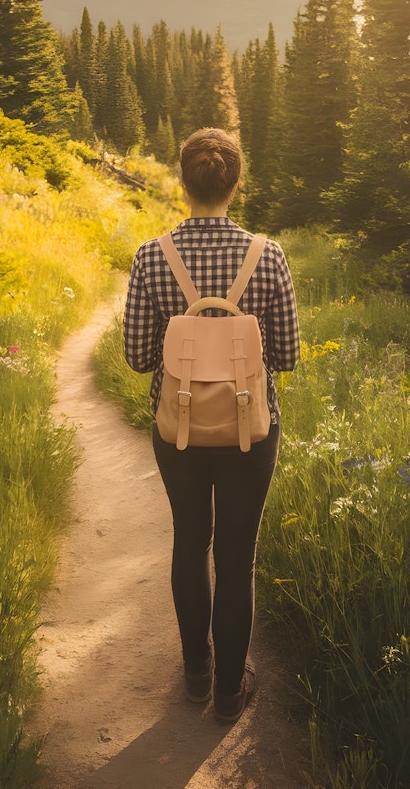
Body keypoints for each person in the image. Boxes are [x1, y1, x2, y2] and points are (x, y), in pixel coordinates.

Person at [123, 127, 300, 723]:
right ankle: (230, 690)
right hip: (251, 428)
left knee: (190, 540)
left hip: (178, 427)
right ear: (235, 181)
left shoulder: (152, 255)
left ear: (184, 180)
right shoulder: (267, 254)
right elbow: (287, 355)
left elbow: (140, 356)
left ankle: (195, 677)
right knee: (237, 552)